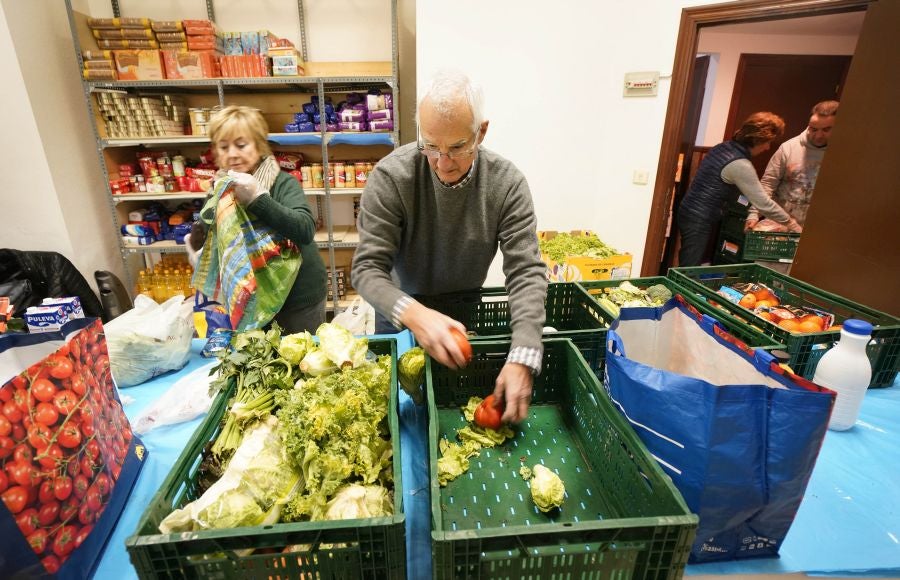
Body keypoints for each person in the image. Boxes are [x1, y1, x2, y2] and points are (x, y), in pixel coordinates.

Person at [351, 70, 548, 423]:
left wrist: (525, 353)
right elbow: (366, 270)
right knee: (396, 419)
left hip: (463, 312)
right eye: (430, 146)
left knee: (453, 408)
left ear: (481, 132)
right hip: (398, 314)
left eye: (457, 147)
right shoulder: (391, 177)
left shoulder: (507, 185)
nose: (443, 163)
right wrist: (416, 316)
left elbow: (526, 272)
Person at [186, 105, 327, 333]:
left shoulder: (282, 183)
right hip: (249, 300)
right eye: (223, 147)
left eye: (241, 145)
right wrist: (199, 240)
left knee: (302, 361)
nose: (232, 154)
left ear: (259, 146)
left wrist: (258, 199)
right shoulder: (219, 191)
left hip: (296, 299)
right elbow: (214, 240)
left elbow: (305, 229)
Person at [676, 111, 802, 267]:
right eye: (767, 142)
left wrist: (752, 215)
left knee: (689, 260)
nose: (768, 147)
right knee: (688, 266)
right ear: (758, 139)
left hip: (690, 210)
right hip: (699, 218)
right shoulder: (740, 164)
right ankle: (678, 290)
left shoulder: (722, 147)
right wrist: (792, 223)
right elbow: (764, 202)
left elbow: (745, 192)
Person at [744, 100, 839, 232]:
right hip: (780, 222)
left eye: (826, 130)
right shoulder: (788, 148)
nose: (818, 135)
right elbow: (768, 183)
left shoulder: (843, 154)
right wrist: (754, 214)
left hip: (818, 227)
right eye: (814, 129)